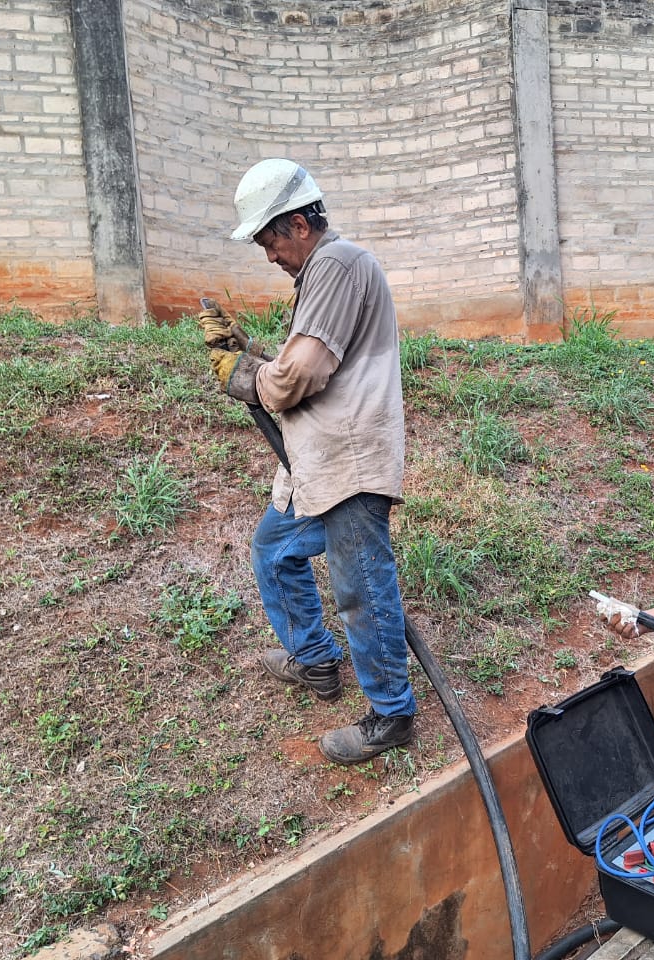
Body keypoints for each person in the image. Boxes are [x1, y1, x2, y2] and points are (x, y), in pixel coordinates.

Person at [198, 158, 416, 765]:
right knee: (275, 550)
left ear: (296, 223)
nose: (268, 255)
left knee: (361, 588)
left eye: (269, 240)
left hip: (348, 462)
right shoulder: (323, 272)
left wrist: (245, 375)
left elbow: (302, 375)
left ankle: (391, 716)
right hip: (318, 462)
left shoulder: (338, 265)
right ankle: (315, 658)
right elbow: (302, 365)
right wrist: (254, 356)